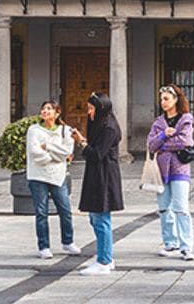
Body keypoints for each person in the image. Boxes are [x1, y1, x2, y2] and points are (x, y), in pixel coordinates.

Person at [71, 92, 123, 276]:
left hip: (104, 176)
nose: (89, 112)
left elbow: (97, 154)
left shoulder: (109, 128)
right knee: (96, 218)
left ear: (101, 109)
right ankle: (105, 257)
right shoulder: (102, 125)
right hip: (98, 175)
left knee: (101, 219)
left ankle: (104, 261)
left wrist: (81, 144)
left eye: (91, 108)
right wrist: (84, 141)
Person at [25, 99, 80, 259]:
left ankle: (68, 241)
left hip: (58, 175)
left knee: (65, 210)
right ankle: (44, 246)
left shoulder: (66, 130)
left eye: (49, 109)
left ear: (57, 113)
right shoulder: (33, 130)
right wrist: (54, 157)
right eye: (43, 109)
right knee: (41, 212)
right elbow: (34, 153)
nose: (45, 111)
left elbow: (67, 152)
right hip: (37, 175)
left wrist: (47, 147)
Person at [148, 84, 194, 261]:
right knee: (163, 208)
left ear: (176, 99)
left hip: (179, 168)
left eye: (167, 99)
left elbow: (186, 141)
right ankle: (170, 242)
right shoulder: (158, 122)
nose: (163, 102)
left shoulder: (186, 119)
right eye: (161, 99)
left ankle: (186, 246)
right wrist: (163, 135)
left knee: (181, 208)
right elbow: (151, 145)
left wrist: (163, 145)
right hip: (160, 171)